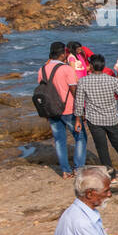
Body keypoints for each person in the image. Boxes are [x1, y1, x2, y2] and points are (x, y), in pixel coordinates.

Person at [74, 54, 118, 179]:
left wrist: (78, 119)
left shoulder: (83, 81)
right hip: (112, 118)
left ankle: (111, 176)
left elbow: (79, 102)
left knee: (102, 148)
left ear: (91, 66)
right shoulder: (112, 80)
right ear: (103, 67)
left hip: (94, 120)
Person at [39, 41, 85, 179]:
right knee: (80, 137)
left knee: (59, 140)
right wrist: (80, 112)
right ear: (63, 54)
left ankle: (65, 171)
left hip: (51, 110)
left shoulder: (42, 69)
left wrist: (45, 111)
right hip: (68, 109)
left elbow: (42, 91)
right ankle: (78, 168)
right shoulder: (66, 69)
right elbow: (74, 90)